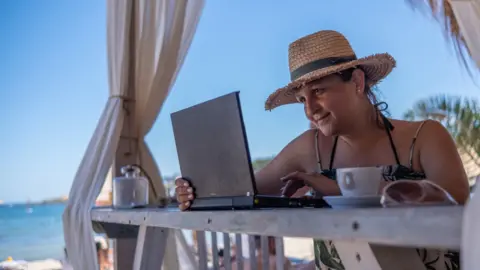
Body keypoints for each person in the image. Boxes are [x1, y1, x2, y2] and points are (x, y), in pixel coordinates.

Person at [175, 30, 469, 270]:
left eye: (319, 92)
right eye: (302, 99)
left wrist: (339, 189)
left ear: (356, 81)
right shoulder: (310, 148)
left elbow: (459, 211)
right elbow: (241, 189)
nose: (310, 110)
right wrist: (194, 190)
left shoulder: (425, 137)